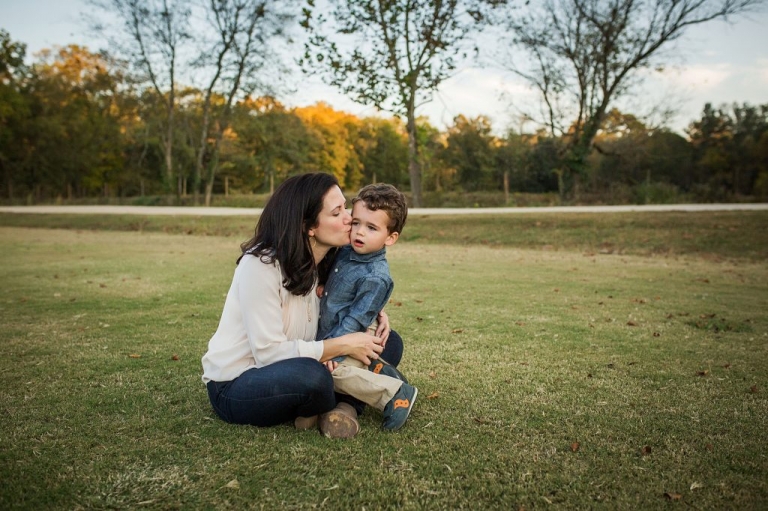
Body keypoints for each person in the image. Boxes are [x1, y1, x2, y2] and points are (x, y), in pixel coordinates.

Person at [201, 173, 405, 438]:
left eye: (345, 206)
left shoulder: (325, 259)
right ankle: (341, 400)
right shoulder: (261, 266)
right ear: (309, 226)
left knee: (388, 341)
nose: (349, 218)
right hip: (241, 382)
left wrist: (374, 313)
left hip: (301, 364)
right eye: (337, 212)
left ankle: (342, 408)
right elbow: (267, 353)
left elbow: (339, 299)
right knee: (313, 376)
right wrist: (342, 345)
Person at [316, 184, 417, 432]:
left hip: (352, 333)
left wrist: (333, 353)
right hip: (332, 330)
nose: (359, 232)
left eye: (371, 228)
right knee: (317, 369)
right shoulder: (345, 250)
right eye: (357, 222)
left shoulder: (376, 277)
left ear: (390, 237)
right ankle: (379, 370)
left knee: (333, 373)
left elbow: (356, 320)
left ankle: (394, 394)